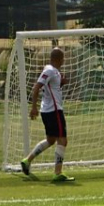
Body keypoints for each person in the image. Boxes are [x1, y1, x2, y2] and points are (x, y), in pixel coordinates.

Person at [21, 47, 74, 182]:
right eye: (62, 59)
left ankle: (27, 160)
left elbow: (50, 89)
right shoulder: (50, 70)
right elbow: (37, 87)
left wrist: (60, 84)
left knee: (51, 140)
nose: (63, 61)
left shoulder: (54, 72)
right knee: (62, 139)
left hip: (49, 110)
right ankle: (57, 172)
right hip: (54, 110)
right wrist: (33, 107)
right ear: (58, 59)